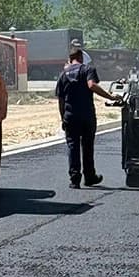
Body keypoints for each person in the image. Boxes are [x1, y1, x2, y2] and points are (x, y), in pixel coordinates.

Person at [55, 46, 119, 189]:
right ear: (81, 58)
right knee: (87, 146)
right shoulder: (88, 70)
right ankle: (89, 177)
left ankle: (74, 178)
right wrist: (110, 96)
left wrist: (63, 118)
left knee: (72, 146)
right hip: (87, 115)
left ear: (70, 59)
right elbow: (92, 85)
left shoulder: (62, 75)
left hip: (70, 115)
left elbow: (60, 100)